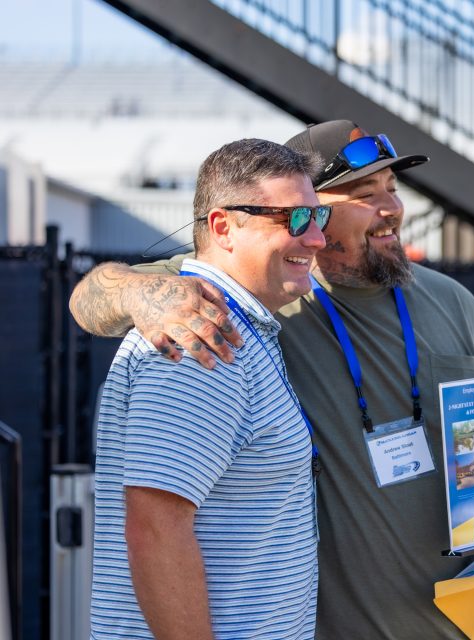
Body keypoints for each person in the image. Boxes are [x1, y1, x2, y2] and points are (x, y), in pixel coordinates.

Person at [69, 120, 474, 640]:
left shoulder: (452, 303)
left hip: (455, 625)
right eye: (364, 194)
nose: (391, 208)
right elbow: (89, 299)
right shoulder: (243, 304)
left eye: (393, 189)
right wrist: (144, 295)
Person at [89, 139, 326, 639]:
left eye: (318, 218)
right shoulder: (201, 342)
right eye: (297, 220)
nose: (318, 240)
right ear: (224, 227)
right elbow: (156, 529)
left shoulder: (233, 325)